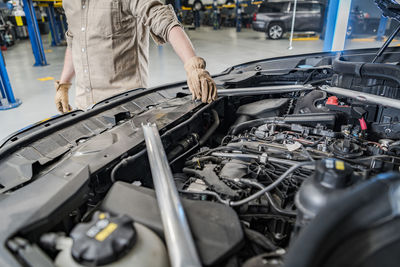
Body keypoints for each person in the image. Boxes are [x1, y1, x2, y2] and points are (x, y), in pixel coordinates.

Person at [55, 0, 218, 114]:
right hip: (84, 108)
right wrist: (64, 85)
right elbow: (74, 42)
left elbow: (163, 19)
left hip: (125, 110)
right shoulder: (69, 2)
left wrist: (192, 65)